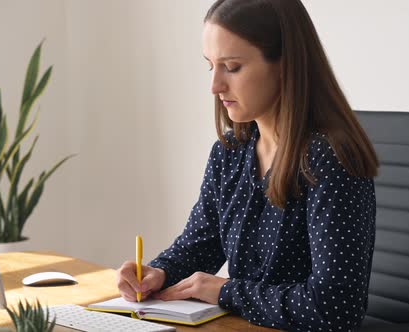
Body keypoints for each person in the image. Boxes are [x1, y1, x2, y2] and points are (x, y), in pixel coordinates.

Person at [116, 0, 379, 331]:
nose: (215, 86)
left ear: (285, 64)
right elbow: (201, 243)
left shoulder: (330, 158)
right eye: (210, 66)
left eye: (233, 67)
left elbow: (334, 308)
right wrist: (158, 273)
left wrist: (226, 291)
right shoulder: (231, 152)